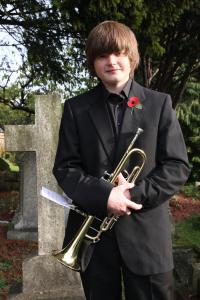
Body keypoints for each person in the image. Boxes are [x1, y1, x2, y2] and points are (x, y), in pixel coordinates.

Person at [53, 21, 190, 300]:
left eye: (118, 53)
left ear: (132, 57)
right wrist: (105, 196)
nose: (112, 61)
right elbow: (66, 168)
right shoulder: (76, 108)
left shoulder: (158, 103)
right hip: (95, 235)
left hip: (147, 233)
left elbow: (177, 166)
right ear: (93, 62)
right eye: (102, 56)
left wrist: (131, 194)